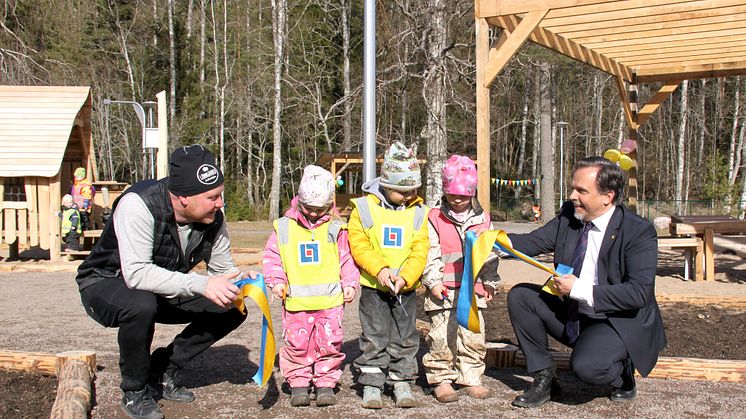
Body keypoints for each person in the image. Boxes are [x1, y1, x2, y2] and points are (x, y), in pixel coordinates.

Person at [76, 144, 253, 419]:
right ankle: (135, 392)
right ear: (183, 197)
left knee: (232, 306)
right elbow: (136, 274)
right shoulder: (137, 204)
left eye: (220, 195)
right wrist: (201, 284)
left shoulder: (213, 217)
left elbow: (222, 270)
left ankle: (163, 368)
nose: (221, 203)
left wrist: (243, 283)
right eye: (212, 197)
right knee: (140, 303)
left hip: (162, 285)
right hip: (106, 281)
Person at [505, 156, 666, 408]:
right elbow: (534, 242)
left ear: (607, 196)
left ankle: (623, 373)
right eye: (573, 188)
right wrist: (491, 239)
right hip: (575, 314)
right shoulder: (571, 215)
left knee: (587, 369)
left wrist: (577, 288)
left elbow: (638, 293)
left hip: (616, 320)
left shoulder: (638, 231)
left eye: (581, 190)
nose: (572, 195)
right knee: (521, 297)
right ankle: (545, 378)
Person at [263, 165, 360, 408]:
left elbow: (347, 259)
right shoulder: (283, 227)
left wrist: (349, 283)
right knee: (297, 344)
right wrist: (276, 282)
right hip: (296, 303)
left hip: (330, 304)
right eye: (309, 209)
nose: (315, 214)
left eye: (321, 209)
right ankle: (298, 383)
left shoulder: (337, 229)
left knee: (329, 343)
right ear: (299, 201)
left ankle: (326, 382)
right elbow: (273, 257)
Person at [348, 142, 429, 409]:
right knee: (375, 335)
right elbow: (359, 244)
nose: (408, 196)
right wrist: (380, 271)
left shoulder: (419, 212)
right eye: (401, 191)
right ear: (386, 185)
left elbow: (420, 249)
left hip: (405, 288)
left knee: (405, 338)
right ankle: (372, 383)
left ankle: (401, 380)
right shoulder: (363, 209)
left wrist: (406, 276)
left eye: (413, 190)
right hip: (374, 287)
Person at [421, 155, 500, 403]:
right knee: (442, 336)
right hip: (443, 288)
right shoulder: (434, 217)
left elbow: (489, 254)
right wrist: (433, 282)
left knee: (473, 335)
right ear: (444, 190)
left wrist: (490, 281)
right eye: (453, 194)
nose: (458, 200)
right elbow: (430, 253)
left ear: (472, 193)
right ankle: (441, 379)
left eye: (464, 196)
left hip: (472, 289)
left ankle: (470, 377)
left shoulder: (482, 219)